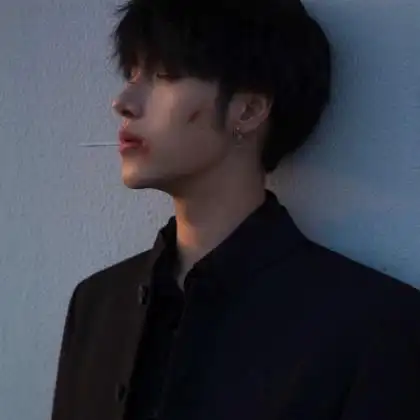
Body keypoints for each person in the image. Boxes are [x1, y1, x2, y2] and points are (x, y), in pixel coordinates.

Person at [50, 0, 420, 419]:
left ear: (248, 110)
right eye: (131, 74)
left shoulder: (376, 323)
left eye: (164, 75)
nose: (123, 102)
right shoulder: (98, 304)